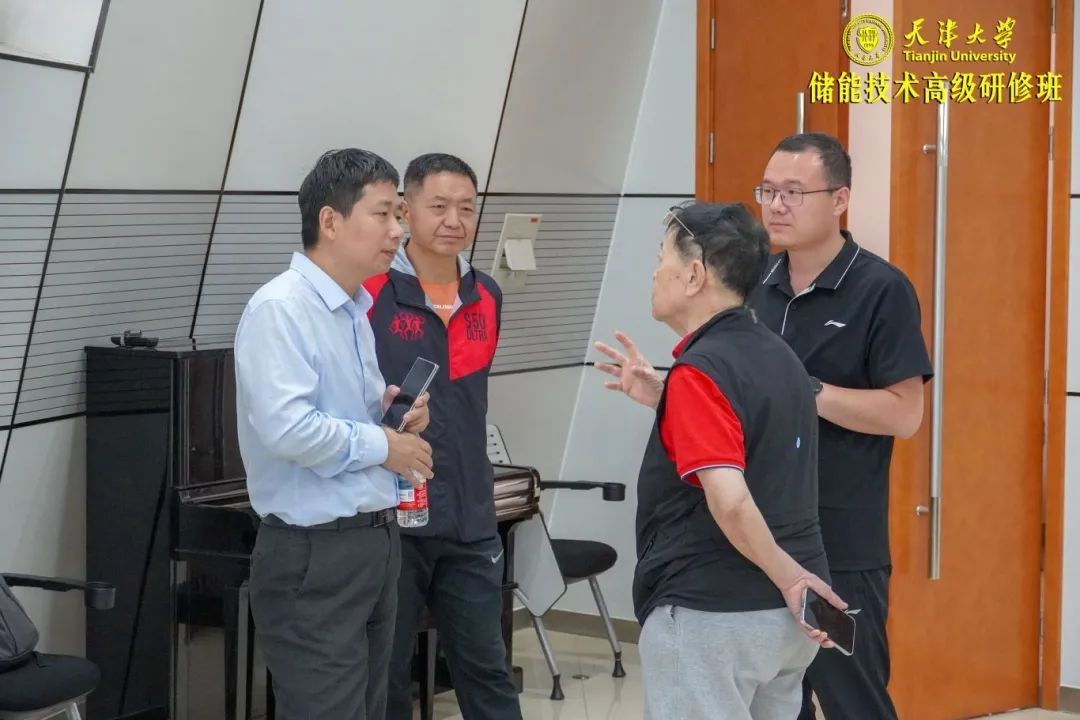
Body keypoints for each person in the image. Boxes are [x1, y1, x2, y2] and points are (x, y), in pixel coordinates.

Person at [594, 200, 846, 720]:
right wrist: (666, 397)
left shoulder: (702, 372)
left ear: (694, 275)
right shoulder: (777, 355)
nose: (654, 272)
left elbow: (730, 502)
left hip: (716, 614)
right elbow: (752, 437)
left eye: (662, 257)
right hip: (786, 623)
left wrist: (789, 577)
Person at [234, 148, 435, 719]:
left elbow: (344, 414)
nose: (398, 231)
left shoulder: (352, 308)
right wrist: (385, 445)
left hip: (373, 541)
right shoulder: (280, 309)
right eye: (383, 214)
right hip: (314, 552)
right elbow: (289, 429)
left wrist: (391, 414)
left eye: (399, 215)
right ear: (330, 220)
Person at [747, 132, 934, 720]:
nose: (777, 205)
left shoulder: (881, 289)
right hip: (759, 534)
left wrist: (807, 390)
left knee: (854, 699)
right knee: (775, 702)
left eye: (794, 192)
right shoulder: (755, 284)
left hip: (841, 540)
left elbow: (904, 414)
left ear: (840, 199)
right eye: (768, 191)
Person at [364, 153, 521, 720]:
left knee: (487, 670)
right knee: (383, 676)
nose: (454, 220)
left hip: (470, 515)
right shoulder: (370, 292)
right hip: (392, 514)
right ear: (405, 211)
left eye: (466, 208)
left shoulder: (488, 296)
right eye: (438, 206)